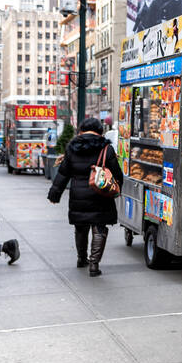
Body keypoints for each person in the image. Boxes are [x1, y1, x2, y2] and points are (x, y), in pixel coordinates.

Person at [47, 117, 124, 277]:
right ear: (99, 130)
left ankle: (81, 259)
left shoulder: (72, 147)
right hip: (100, 194)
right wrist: (117, 190)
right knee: (99, 228)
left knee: (80, 227)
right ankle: (94, 265)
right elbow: (117, 174)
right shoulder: (106, 149)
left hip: (78, 195)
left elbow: (63, 173)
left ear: (82, 130)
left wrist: (55, 193)